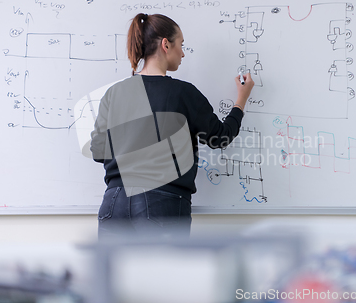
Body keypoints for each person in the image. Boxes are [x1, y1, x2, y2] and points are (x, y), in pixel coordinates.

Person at [90, 13, 254, 238]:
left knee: (115, 274)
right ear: (166, 44)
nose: (183, 52)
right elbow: (220, 137)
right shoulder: (183, 93)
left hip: (114, 203)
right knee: (163, 274)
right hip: (160, 203)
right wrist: (241, 100)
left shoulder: (114, 93)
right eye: (181, 44)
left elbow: (98, 151)